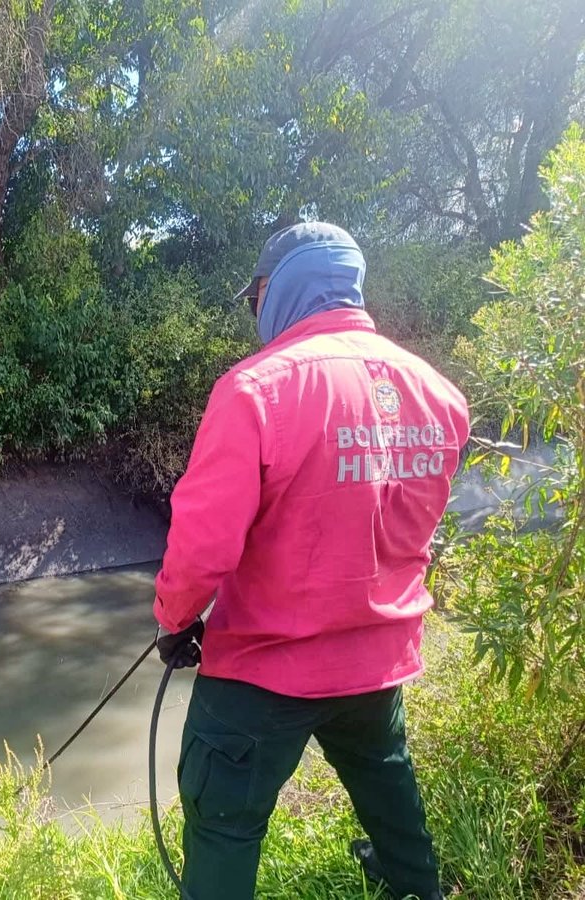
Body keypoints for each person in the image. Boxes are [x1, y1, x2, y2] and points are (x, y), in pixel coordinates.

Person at [153, 222, 469, 900]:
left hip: (264, 667)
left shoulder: (254, 390)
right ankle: (417, 888)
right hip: (377, 662)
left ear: (277, 288)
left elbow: (202, 547)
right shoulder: (439, 396)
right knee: (388, 784)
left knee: (222, 821)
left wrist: (174, 623)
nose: (255, 313)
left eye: (255, 299)